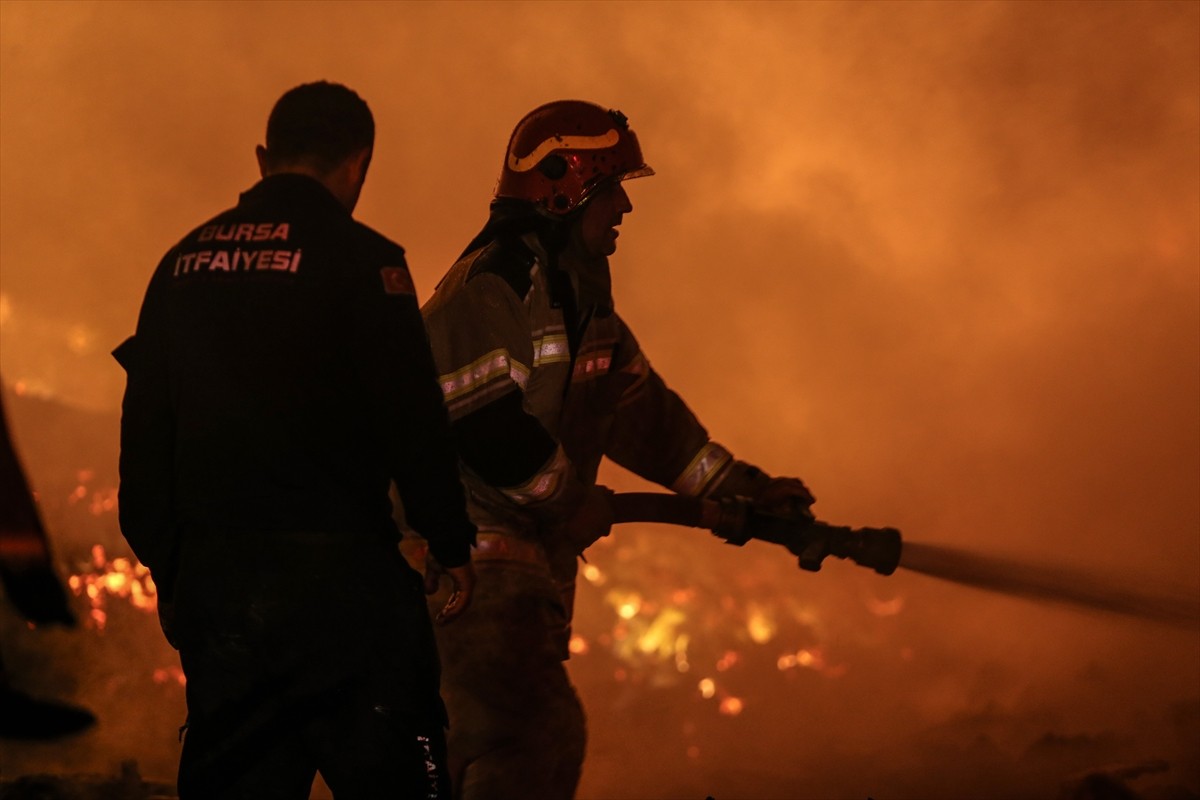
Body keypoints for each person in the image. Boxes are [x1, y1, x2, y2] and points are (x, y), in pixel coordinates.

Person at [418, 100, 815, 799]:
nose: (625, 207)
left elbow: (651, 424)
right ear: (562, 190)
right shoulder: (492, 288)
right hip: (458, 576)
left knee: (508, 751)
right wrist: (572, 501)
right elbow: (487, 429)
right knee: (530, 739)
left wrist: (747, 492)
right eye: (611, 189)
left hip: (516, 582)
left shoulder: (582, 306)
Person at [114, 81, 476, 799]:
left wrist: (174, 568)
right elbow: (412, 420)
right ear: (359, 164)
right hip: (346, 595)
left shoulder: (181, 265)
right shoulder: (367, 262)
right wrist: (449, 540)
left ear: (263, 158)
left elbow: (145, 436)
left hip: (222, 596)